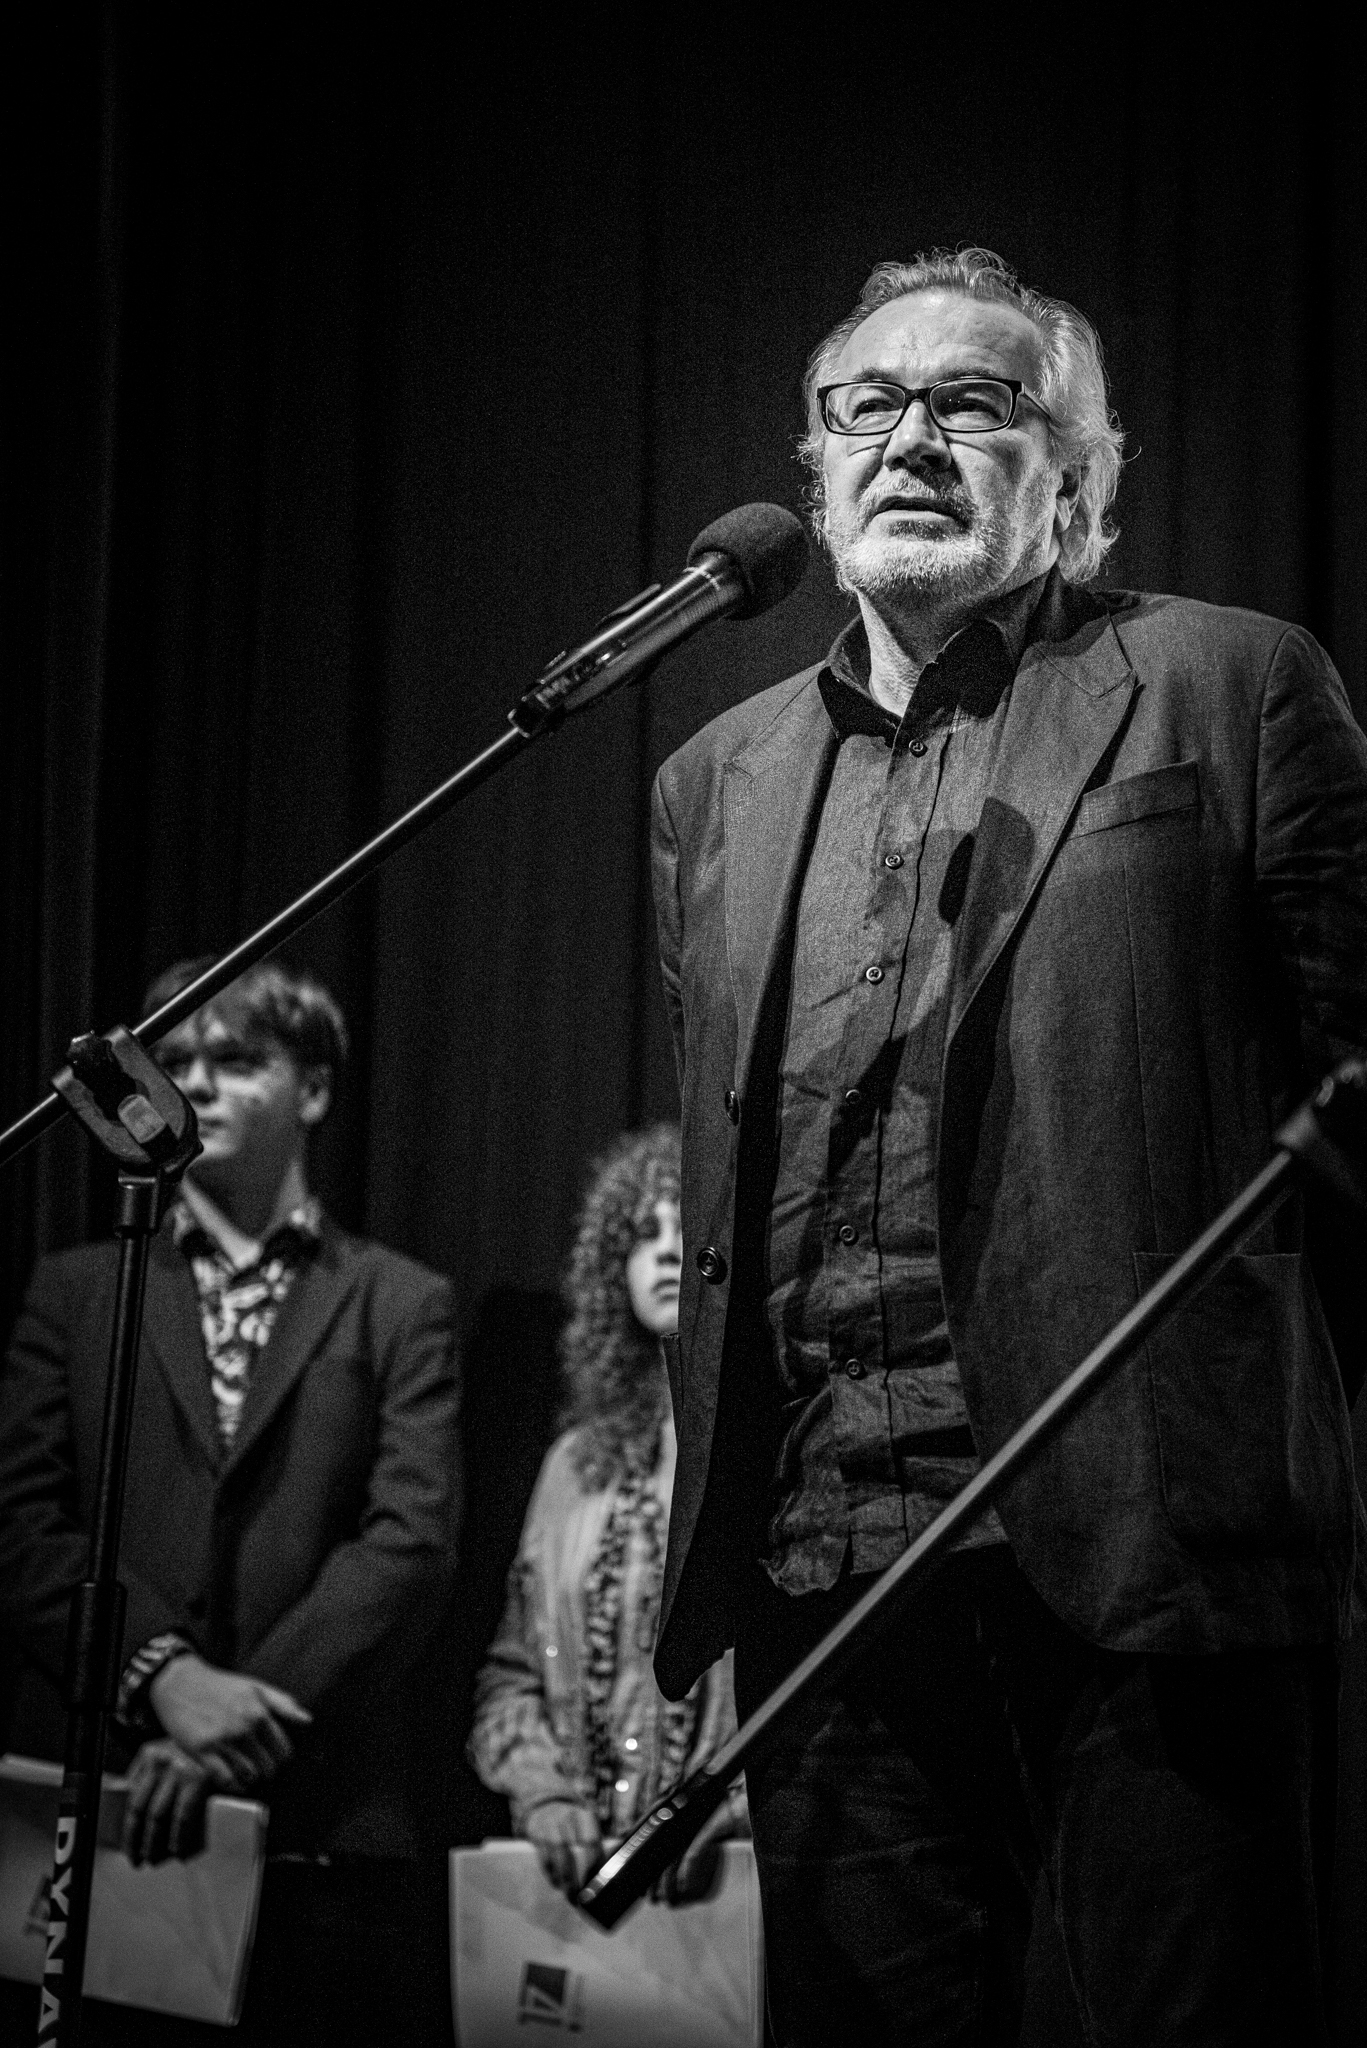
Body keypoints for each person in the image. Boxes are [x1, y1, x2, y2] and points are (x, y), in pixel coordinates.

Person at [648, 246, 1367, 2045]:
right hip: (821, 1576)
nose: (908, 438)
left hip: (1151, 1564)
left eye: (970, 401)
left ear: (1077, 475)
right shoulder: (713, 781)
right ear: (813, 471)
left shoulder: (1224, 683)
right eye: (864, 407)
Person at [0, 959, 462, 2046]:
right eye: (178, 1060)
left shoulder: (401, 1300)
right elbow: (19, 1521)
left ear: (314, 1088)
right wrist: (160, 1675)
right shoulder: (75, 1289)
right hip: (100, 1796)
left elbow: (409, 1543)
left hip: (312, 1806)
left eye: (238, 1058)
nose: (198, 1082)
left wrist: (234, 1718)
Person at [469, 1124, 745, 1902]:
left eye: (684, 1228)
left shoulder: (763, 1449)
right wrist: (542, 1792)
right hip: (580, 1882)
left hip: (726, 1883)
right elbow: (510, 1674)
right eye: (641, 1235)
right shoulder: (574, 1465)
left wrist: (729, 1809)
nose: (664, 1253)